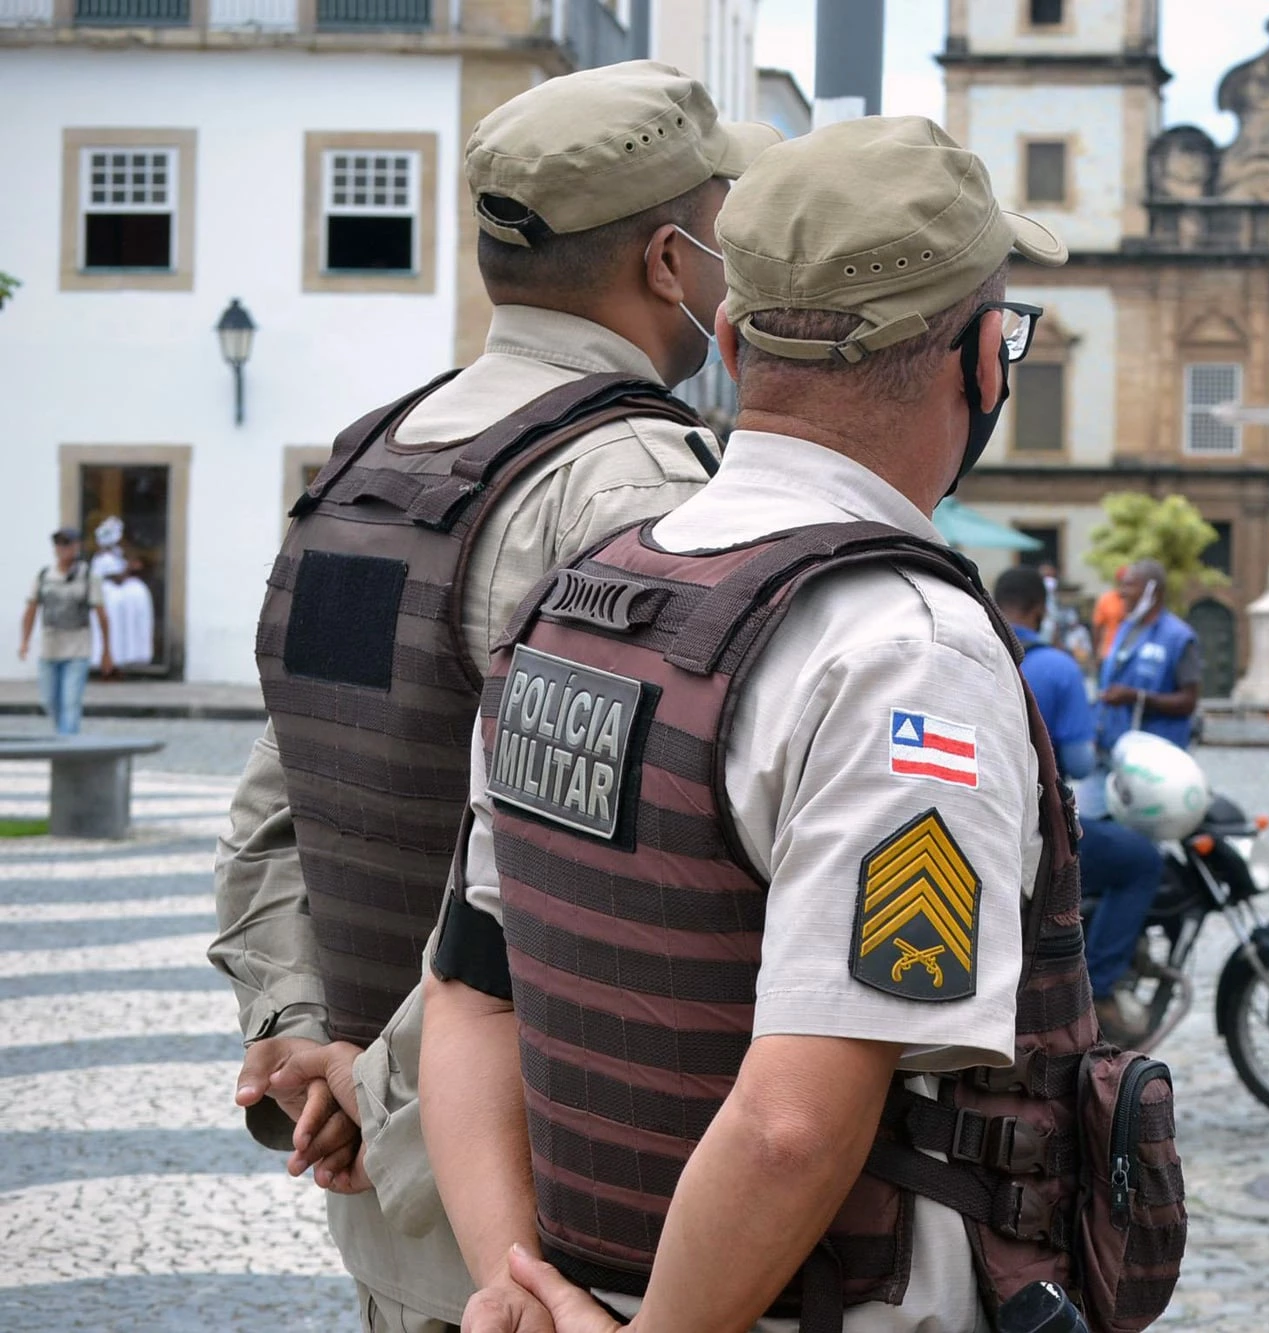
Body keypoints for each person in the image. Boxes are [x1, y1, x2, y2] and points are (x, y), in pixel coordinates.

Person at [422, 115, 1090, 1333]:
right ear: (987, 358)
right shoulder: (904, 654)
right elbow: (792, 1121)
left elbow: (470, 992)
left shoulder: (572, 603)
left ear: (728, 338)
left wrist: (517, 1287)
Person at [205, 61, 771, 1333]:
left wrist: (302, 1029)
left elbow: (289, 784)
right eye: (725, 223)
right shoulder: (639, 487)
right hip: (547, 1220)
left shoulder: (377, 449)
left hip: (391, 1189)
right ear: (675, 262)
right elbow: (585, 877)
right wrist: (373, 1083)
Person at [996, 566, 1160, 1045]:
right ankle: (1102, 988)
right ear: (1041, 611)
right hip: (1038, 831)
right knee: (1141, 861)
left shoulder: (977, 649)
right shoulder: (1057, 666)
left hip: (982, 821)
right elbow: (1082, 763)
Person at [1097, 558, 1201, 751]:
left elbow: (1189, 701)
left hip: (1159, 754)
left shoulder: (1179, 637)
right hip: (1116, 748)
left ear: (1153, 591)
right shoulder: (1125, 628)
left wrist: (1138, 697)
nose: (1121, 593)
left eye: (1129, 586)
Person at [19, 528, 113, 735]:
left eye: (67, 544)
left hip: (77, 648)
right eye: (59, 544)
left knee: (71, 702)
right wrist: (24, 641)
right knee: (50, 700)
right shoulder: (45, 576)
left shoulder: (88, 577)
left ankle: (67, 745)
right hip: (50, 647)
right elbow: (31, 609)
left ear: (77, 546)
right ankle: (63, 736)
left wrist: (107, 650)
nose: (62, 549)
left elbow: (102, 616)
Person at [89, 515, 155, 669]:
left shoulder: (117, 553)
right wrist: (129, 568)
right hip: (109, 594)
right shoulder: (103, 558)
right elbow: (114, 576)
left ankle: (131, 653)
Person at [1092, 572, 1126, 661]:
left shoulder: (1139, 602)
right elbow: (1097, 627)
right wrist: (1096, 652)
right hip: (1109, 652)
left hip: (1131, 652)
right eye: (1122, 582)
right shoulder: (1107, 599)